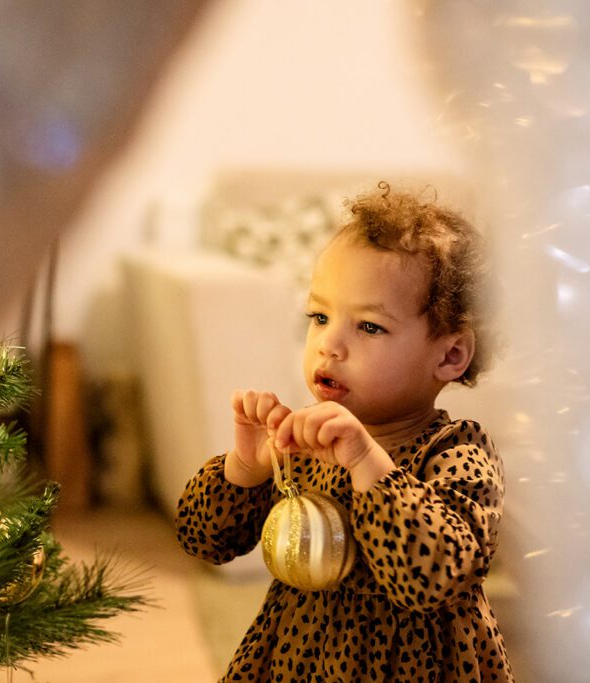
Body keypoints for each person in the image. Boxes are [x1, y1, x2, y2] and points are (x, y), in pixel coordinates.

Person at [175, 182, 513, 682]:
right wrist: (244, 470)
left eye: (369, 327)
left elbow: (434, 576)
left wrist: (364, 462)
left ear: (449, 355)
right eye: (319, 316)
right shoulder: (303, 444)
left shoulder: (457, 452)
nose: (329, 344)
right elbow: (203, 540)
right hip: (298, 656)